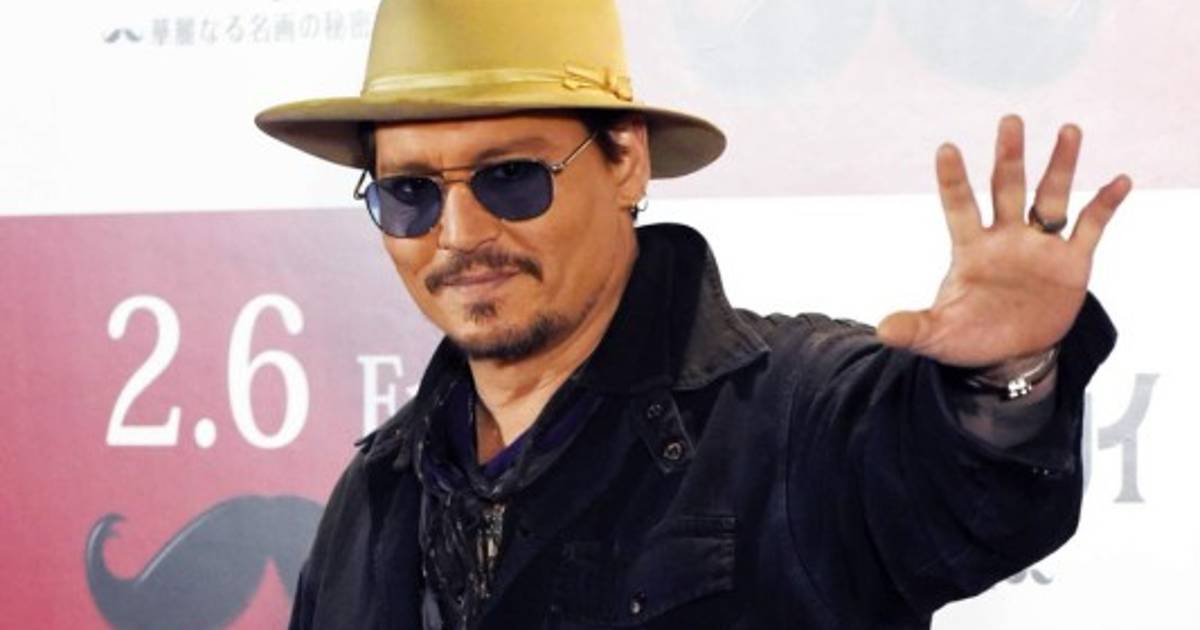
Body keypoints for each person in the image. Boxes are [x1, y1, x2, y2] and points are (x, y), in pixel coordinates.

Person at [255, 1, 1131, 628]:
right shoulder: (374, 495)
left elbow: (968, 498)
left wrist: (1003, 381)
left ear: (627, 162)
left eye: (510, 178)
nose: (459, 234)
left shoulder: (794, 413)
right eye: (409, 193)